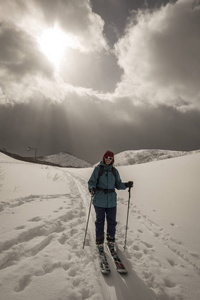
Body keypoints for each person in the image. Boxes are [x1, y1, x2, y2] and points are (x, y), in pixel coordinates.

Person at [88, 150, 133, 247]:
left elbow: (118, 184)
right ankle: (99, 239)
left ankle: (111, 238)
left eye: (110, 158)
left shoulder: (114, 171)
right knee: (100, 221)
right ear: (104, 158)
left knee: (112, 221)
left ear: (112, 160)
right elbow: (91, 182)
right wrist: (91, 188)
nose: (108, 159)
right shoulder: (98, 169)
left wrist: (126, 185)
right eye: (107, 157)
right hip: (99, 200)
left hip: (111, 202)